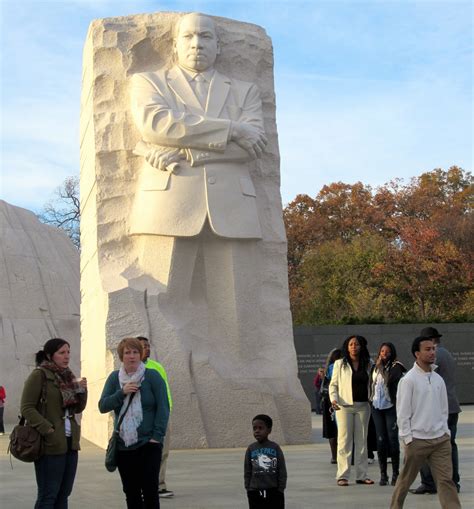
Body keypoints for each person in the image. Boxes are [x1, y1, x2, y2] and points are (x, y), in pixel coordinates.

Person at [129, 12, 267, 327]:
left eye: (206, 36)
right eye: (188, 36)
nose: (197, 44)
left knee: (236, 311)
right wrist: (232, 128)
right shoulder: (149, 82)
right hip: (169, 200)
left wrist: (192, 151)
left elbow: (254, 145)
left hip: (233, 206)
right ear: (174, 45)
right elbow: (156, 125)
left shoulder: (244, 91)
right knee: (158, 303)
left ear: (219, 46)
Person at [390, 336, 461, 509]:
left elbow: (444, 410)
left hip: (440, 441)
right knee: (405, 482)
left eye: (433, 349)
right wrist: (407, 439)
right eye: (427, 349)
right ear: (417, 353)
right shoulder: (408, 380)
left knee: (446, 481)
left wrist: (445, 432)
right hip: (417, 441)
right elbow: (403, 413)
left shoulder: (438, 379)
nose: (432, 352)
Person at [99, 338, 169, 509]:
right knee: (131, 492)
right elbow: (103, 406)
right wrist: (121, 393)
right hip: (124, 445)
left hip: (148, 444)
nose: (132, 356)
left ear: (141, 354)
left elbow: (163, 407)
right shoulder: (115, 378)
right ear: (121, 356)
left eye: (135, 352)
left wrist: (157, 437)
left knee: (150, 492)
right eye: (127, 353)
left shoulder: (152, 376)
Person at [20, 338, 88, 508]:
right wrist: (48, 429)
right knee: (48, 495)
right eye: (62, 353)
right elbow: (27, 408)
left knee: (64, 494)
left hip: (70, 443)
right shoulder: (40, 375)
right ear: (50, 355)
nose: (66, 356)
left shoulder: (68, 376)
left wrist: (82, 390)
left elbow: (77, 408)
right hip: (50, 444)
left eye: (68, 352)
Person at [410, 326, 462, 495]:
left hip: (437, 408)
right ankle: (454, 481)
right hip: (453, 405)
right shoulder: (447, 354)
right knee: (450, 445)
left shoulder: (433, 357)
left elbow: (426, 380)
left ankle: (429, 482)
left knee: (426, 444)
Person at [329, 335, 373, 486]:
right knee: (344, 441)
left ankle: (362, 475)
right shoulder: (340, 364)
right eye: (351, 344)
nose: (354, 347)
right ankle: (343, 476)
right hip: (344, 406)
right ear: (347, 347)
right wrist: (333, 399)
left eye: (357, 344)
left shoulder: (368, 363)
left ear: (362, 347)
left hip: (363, 406)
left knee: (362, 442)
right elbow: (333, 385)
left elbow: (373, 383)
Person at [137, 336, 174, 499]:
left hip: (163, 416)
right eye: (143, 346)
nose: (148, 348)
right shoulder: (131, 369)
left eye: (148, 345)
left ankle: (159, 485)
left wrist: (167, 411)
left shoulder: (157, 366)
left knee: (162, 452)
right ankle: (141, 485)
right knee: (141, 453)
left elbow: (165, 391)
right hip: (143, 418)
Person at [369, 342, 406, 486]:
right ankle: (383, 474)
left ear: (392, 353)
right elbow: (371, 384)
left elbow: (391, 381)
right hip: (377, 406)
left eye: (387, 352)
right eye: (382, 351)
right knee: (380, 440)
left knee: (392, 439)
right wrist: (370, 399)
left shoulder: (396, 366)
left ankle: (396, 473)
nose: (384, 354)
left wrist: (381, 367)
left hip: (390, 406)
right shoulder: (374, 367)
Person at [244, 414, 286, 509]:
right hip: (254, 492)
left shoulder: (275, 448)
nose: (257, 431)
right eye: (254, 428)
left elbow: (282, 469)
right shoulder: (251, 448)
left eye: (260, 428)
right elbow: (247, 470)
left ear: (269, 430)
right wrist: (248, 488)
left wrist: (280, 489)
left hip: (274, 491)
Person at [321, 348, 342, 463]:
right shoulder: (337, 367)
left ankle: (334, 456)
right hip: (338, 401)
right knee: (341, 429)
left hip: (328, 401)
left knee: (331, 430)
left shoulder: (328, 368)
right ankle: (340, 455)